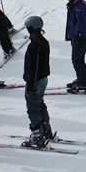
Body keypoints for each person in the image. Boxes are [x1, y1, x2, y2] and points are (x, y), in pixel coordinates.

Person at [21, 16, 55, 146]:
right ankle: (46, 129)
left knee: (33, 107)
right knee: (39, 103)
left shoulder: (35, 46)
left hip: (36, 81)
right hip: (43, 79)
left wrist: (31, 83)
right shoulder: (43, 41)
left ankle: (37, 135)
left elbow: (33, 67)